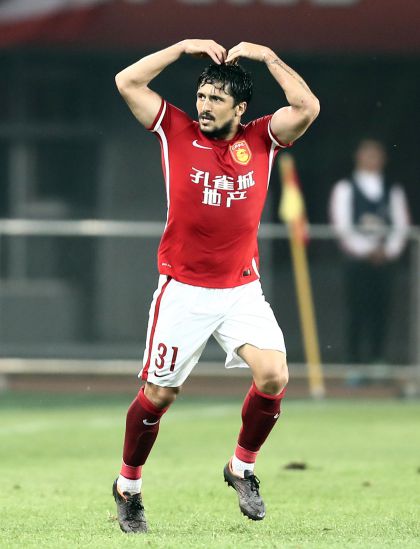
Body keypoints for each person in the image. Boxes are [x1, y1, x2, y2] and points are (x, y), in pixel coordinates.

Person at [112, 39, 320, 533]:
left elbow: (307, 107)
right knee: (159, 396)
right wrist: (182, 48)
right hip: (183, 289)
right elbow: (127, 81)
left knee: (274, 376)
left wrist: (269, 57)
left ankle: (241, 468)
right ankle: (128, 486)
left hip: (241, 289)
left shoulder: (263, 137)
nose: (204, 106)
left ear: (240, 108)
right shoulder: (176, 129)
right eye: (201, 96)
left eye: (216, 99)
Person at [329, 139, 410, 365]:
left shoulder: (392, 189)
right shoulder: (345, 188)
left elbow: (401, 225)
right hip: (357, 262)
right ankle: (354, 362)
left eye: (376, 155)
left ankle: (378, 359)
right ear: (358, 157)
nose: (372, 159)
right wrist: (366, 250)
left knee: (382, 310)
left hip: (384, 262)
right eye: (367, 154)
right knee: (357, 309)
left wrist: (387, 251)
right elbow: (341, 225)